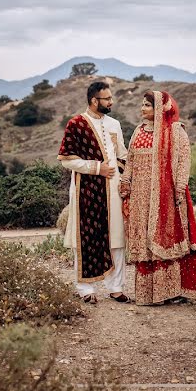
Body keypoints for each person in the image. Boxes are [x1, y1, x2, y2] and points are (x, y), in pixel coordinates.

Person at [120, 90, 196, 305]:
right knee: (144, 239)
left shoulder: (175, 131)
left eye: (147, 105)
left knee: (166, 236)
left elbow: (184, 160)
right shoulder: (138, 131)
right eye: (142, 104)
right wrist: (125, 182)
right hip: (140, 196)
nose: (142, 108)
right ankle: (149, 295)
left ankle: (171, 291)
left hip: (166, 196)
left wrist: (179, 189)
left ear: (159, 107)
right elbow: (130, 160)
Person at [57, 81, 129, 303]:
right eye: (107, 99)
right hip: (87, 191)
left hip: (113, 189)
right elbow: (67, 160)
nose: (111, 102)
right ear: (94, 100)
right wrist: (97, 168)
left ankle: (115, 287)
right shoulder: (76, 124)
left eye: (110, 98)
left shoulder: (114, 124)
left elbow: (123, 155)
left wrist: (125, 176)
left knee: (116, 237)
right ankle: (85, 289)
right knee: (87, 236)